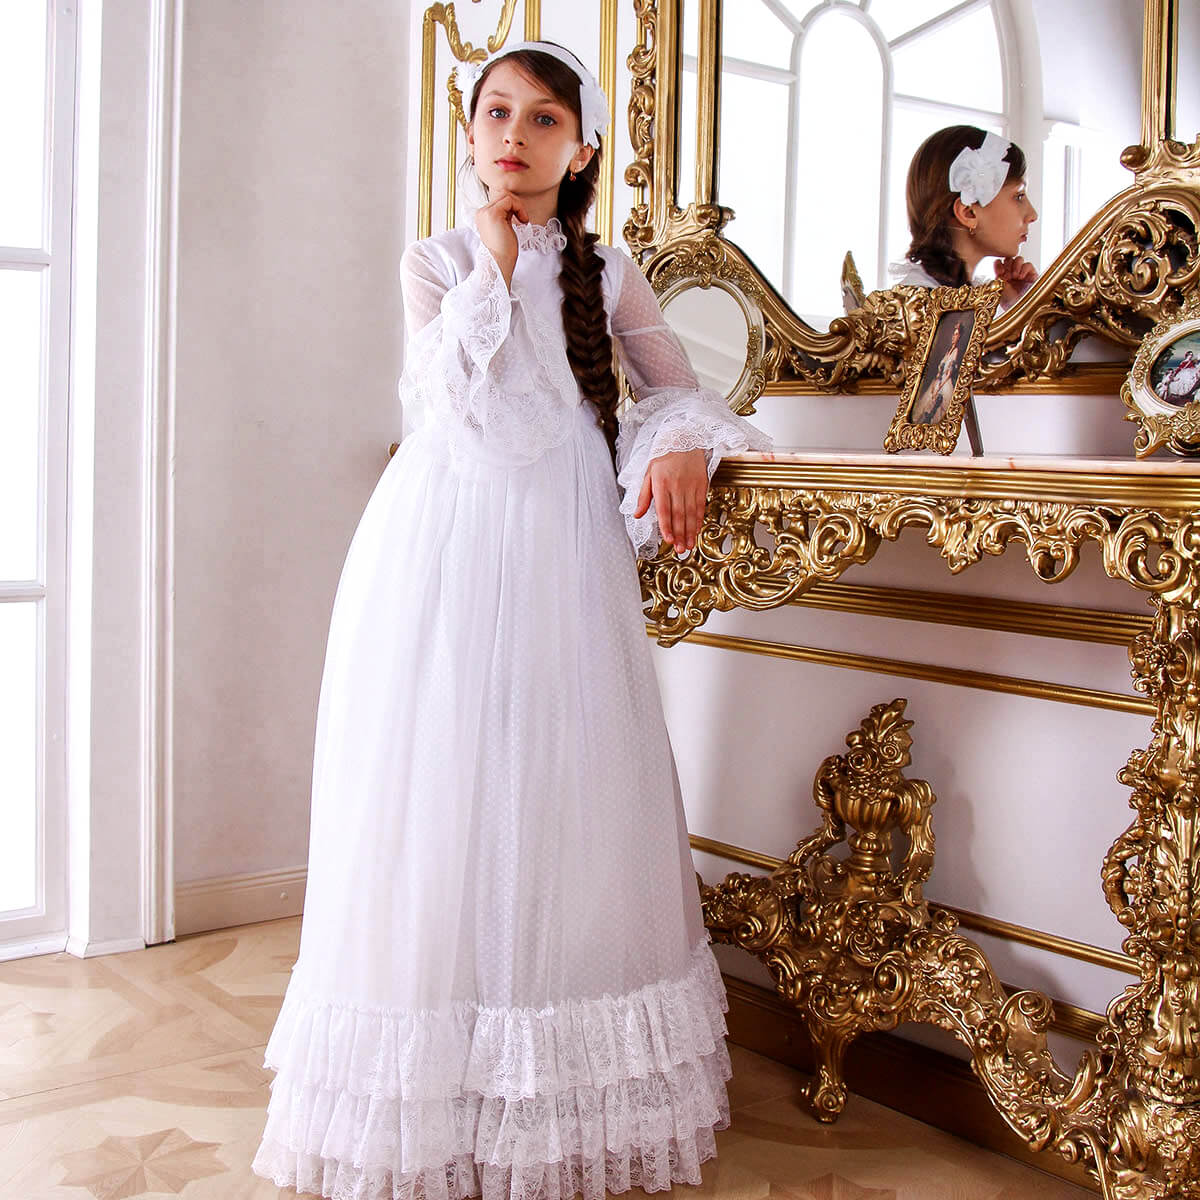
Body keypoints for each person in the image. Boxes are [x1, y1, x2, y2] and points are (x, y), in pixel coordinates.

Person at [251, 40, 771, 1200]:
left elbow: (676, 385)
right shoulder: (433, 258)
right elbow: (465, 408)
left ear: (581, 148)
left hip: (560, 552)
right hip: (439, 548)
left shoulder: (611, 273)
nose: (513, 138)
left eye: (543, 121)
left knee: (557, 784)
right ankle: (433, 1087)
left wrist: (677, 441)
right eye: (496, 113)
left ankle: (546, 1090)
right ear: (470, 127)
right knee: (439, 783)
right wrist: (492, 263)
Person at [895, 125, 1039, 309]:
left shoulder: (959, 298)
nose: (1032, 215)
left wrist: (1017, 306)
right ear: (968, 213)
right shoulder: (924, 309)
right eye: (1018, 196)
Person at [910, 319, 964, 424]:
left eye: (956, 335)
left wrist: (939, 386)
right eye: (953, 334)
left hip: (945, 382)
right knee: (927, 399)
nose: (954, 337)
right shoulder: (948, 351)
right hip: (939, 379)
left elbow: (949, 373)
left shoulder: (956, 351)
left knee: (939, 401)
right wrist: (936, 383)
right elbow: (940, 370)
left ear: (959, 337)